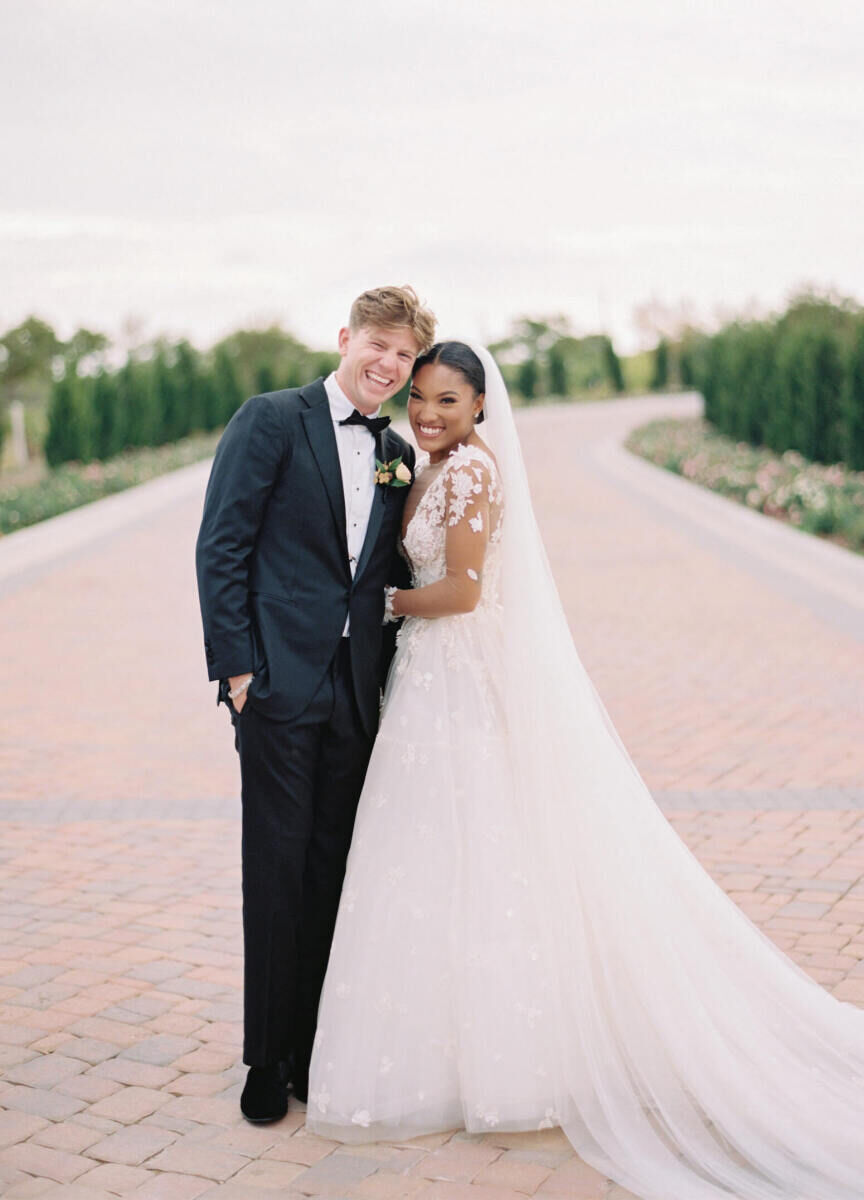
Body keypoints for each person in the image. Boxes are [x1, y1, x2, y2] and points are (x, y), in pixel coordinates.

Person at [306, 342, 864, 1200]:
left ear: (482, 407)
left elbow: (459, 590)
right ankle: (456, 1051)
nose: (427, 414)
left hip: (457, 672)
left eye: (447, 401)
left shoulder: (471, 476)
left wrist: (376, 603)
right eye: (420, 398)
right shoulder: (429, 465)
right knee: (439, 859)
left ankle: (503, 1059)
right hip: (428, 679)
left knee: (478, 854)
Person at [195, 285, 437, 1122]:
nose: (389, 364)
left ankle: (310, 1050)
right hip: (276, 685)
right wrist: (236, 670)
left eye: (405, 356)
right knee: (276, 870)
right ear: (346, 337)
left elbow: (392, 572)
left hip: (355, 696)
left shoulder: (397, 452)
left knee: (335, 872)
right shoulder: (270, 419)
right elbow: (222, 544)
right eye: (379, 344)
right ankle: (266, 1060)